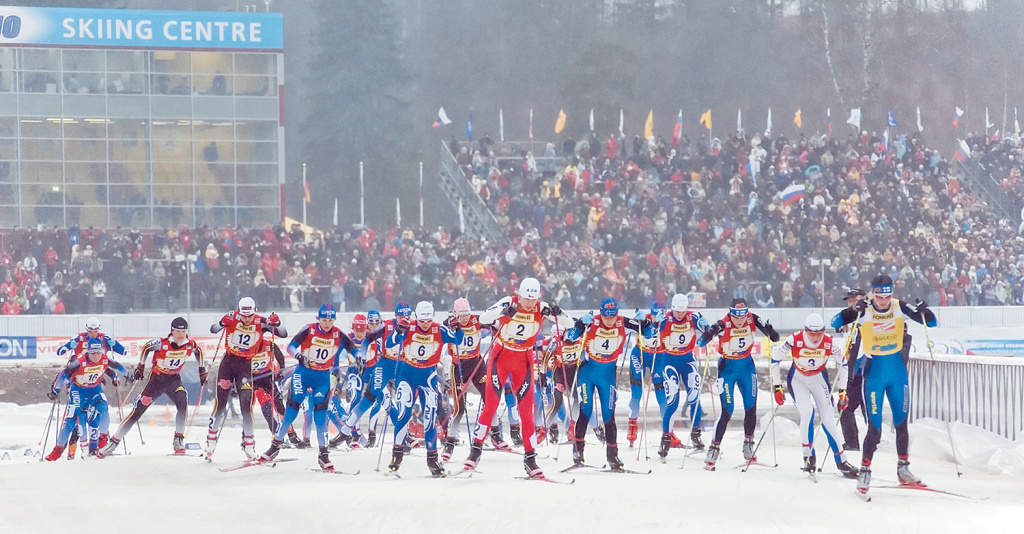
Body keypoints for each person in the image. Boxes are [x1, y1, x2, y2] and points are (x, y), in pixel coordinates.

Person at [831, 274, 937, 496]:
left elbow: (931, 322)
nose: (884, 301)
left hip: (897, 373)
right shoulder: (865, 310)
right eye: (880, 296)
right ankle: (865, 472)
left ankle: (903, 470)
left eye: (888, 296)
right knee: (875, 427)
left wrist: (925, 311)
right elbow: (835, 322)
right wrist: (853, 310)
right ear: (874, 294)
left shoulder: (899, 306)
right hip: (875, 375)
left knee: (901, 423)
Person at [462, 278, 573, 478]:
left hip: (524, 360)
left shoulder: (542, 307)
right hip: (501, 357)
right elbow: (483, 319)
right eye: (526, 298)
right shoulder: (509, 301)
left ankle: (530, 459)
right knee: (491, 405)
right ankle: (475, 451)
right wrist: (503, 313)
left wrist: (558, 312)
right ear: (519, 294)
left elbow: (570, 323)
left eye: (533, 299)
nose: (529, 303)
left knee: (526, 412)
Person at [261, 304, 359, 471]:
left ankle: (323, 454)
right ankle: (275, 446)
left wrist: (360, 360)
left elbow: (354, 350)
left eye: (330, 320)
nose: (327, 323)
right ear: (318, 319)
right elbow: (290, 347)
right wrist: (299, 356)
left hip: (322, 378)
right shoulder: (310, 329)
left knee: (320, 418)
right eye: (324, 319)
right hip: (302, 375)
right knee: (291, 412)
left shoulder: (338, 333)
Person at [770, 313, 859, 478]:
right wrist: (777, 387)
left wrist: (843, 391)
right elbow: (775, 360)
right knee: (807, 413)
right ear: (806, 331)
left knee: (828, 420)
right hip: (798, 379)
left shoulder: (829, 342)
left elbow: (843, 364)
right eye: (812, 333)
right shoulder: (795, 339)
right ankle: (808, 456)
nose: (816, 337)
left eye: (819, 333)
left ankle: (842, 461)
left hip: (818, 379)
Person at [101, 317, 205, 456]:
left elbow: (199, 352)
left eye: (184, 331)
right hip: (157, 380)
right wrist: (141, 366)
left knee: (182, 399)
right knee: (137, 412)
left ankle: (178, 441)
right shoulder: (162, 343)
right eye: (178, 331)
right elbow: (146, 347)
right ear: (172, 331)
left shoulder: (190, 344)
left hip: (174, 380)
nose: (181, 335)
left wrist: (202, 370)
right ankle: (113, 443)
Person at [384, 301, 464, 476]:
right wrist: (398, 330)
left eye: (428, 320)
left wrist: (457, 327)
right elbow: (389, 344)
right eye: (422, 321)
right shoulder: (409, 327)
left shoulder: (439, 330)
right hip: (407, 375)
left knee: (429, 418)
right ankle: (396, 455)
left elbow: (458, 340)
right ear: (416, 318)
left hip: (428, 376)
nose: (425, 324)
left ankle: (432, 459)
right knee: (404, 413)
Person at [571, 297, 649, 470]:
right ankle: (578, 452)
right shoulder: (593, 322)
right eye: (605, 316)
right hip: (588, 372)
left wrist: (645, 322)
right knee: (586, 409)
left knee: (609, 415)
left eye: (611, 317)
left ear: (617, 314)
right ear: (600, 313)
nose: (608, 320)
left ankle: (613, 456)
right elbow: (570, 337)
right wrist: (579, 325)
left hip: (607, 375)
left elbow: (649, 334)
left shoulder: (622, 322)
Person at [701, 298, 779, 470]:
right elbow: (702, 341)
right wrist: (708, 333)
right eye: (736, 316)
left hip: (746, 367)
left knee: (751, 407)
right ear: (730, 314)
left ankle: (748, 445)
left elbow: (775, 337)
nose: (740, 320)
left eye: (743, 315)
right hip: (727, 369)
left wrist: (771, 332)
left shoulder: (752, 318)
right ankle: (714, 449)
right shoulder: (724, 323)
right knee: (727, 411)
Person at [205, 296, 287, 460]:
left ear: (254, 312)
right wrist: (222, 323)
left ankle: (249, 445)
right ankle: (210, 441)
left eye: (250, 315)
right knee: (220, 404)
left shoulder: (260, 321)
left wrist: (277, 323)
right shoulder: (232, 317)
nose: (247, 319)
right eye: (244, 315)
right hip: (228, 364)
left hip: (245, 366)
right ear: (239, 312)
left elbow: (283, 334)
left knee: (246, 406)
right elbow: (213, 330)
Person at [45, 337, 130, 460]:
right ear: (88, 352)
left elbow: (117, 366)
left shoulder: (104, 359)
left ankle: (102, 442)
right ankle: (57, 451)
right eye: (93, 353)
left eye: (98, 352)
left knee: (103, 407)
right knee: (72, 421)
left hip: (94, 390)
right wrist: (55, 390)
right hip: (78, 390)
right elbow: (63, 374)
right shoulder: (79, 362)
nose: (96, 356)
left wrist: (128, 375)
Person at [653, 293, 711, 460]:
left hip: (688, 360)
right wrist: (656, 322)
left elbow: (708, 333)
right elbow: (651, 332)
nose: (680, 315)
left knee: (694, 397)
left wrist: (706, 327)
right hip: (669, 360)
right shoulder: (665, 317)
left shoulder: (693, 317)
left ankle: (696, 435)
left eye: (682, 311)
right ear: (672, 309)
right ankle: (665, 439)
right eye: (677, 311)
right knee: (673, 402)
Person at [333, 306, 402, 446]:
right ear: (353, 329)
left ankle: (401, 434)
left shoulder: (375, 338)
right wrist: (337, 378)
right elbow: (334, 358)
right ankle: (355, 434)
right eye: (356, 330)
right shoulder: (348, 339)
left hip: (372, 371)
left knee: (386, 401)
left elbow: (386, 355)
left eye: (362, 330)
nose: (359, 333)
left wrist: (390, 378)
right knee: (354, 397)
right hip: (355, 372)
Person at [626, 301, 664, 448]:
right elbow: (636, 328)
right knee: (636, 393)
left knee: (661, 395)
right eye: (654, 315)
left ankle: (668, 431)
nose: (657, 318)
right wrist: (638, 320)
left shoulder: (668, 321)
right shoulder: (645, 319)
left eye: (660, 315)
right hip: (639, 354)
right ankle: (632, 425)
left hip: (658, 357)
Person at [834, 288, 866, 451]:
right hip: (851, 371)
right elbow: (835, 323)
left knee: (868, 409)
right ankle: (852, 442)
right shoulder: (849, 317)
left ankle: (873, 441)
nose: (852, 303)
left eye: (855, 300)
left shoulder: (868, 316)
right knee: (844, 405)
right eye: (849, 301)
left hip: (865, 369)